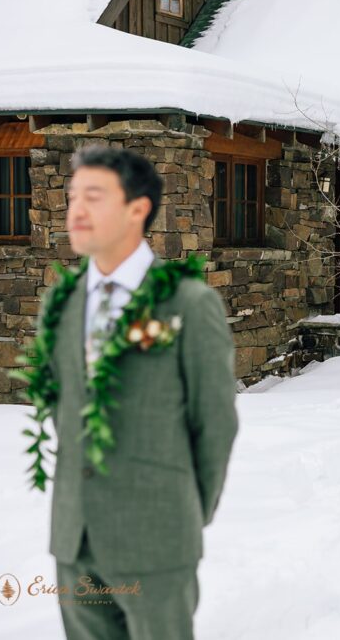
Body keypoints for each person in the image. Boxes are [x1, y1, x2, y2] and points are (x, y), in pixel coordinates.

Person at [40, 145, 238, 639]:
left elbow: (214, 422)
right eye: (71, 198)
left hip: (157, 539)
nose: (77, 211)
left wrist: (184, 514)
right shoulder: (61, 305)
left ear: (137, 209)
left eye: (94, 196)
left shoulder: (188, 304)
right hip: (75, 539)